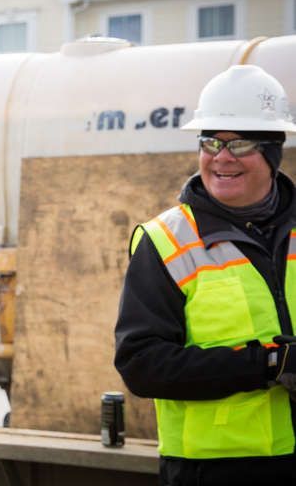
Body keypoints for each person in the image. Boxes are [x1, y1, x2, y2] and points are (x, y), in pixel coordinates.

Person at [115, 65, 296, 485]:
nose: (221, 157)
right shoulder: (165, 241)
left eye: (240, 144)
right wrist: (269, 364)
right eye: (211, 142)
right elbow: (140, 364)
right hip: (211, 470)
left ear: (272, 152)